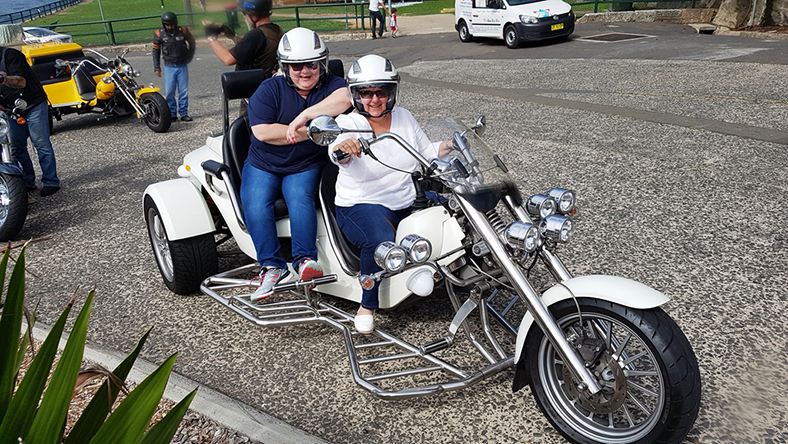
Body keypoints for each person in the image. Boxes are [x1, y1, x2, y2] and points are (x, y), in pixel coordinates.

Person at [328, 55, 453, 334]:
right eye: (366, 92)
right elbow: (336, 151)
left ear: (391, 92)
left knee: (456, 212)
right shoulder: (348, 122)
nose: (375, 99)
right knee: (379, 239)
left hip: (406, 199)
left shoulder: (404, 117)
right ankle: (368, 305)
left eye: (381, 91)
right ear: (356, 94)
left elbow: (425, 152)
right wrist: (345, 148)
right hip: (361, 204)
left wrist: (450, 144)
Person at [242, 28, 351, 303]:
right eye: (296, 66)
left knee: (299, 199)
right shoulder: (269, 89)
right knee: (256, 202)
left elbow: (346, 99)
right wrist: (316, 130)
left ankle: (304, 262)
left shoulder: (333, 84)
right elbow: (263, 133)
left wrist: (303, 117)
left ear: (321, 64)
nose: (305, 71)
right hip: (264, 162)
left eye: (312, 64)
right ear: (285, 67)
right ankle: (271, 267)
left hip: (304, 163)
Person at [0, 45, 60, 196]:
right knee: (16, 147)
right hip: (10, 108)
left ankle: (51, 181)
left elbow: (21, 82)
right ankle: (27, 182)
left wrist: (3, 78)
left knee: (41, 143)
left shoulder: (10, 55)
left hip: (32, 104)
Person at [205, 0, 284, 76]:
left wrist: (211, 37)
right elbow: (253, 47)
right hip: (268, 82)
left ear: (254, 14)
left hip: (252, 84)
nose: (244, 17)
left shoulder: (256, 35)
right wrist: (232, 35)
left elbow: (228, 59)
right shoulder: (276, 29)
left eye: (245, 13)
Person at [152, 11, 196, 122]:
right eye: (167, 25)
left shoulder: (183, 31)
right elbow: (155, 51)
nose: (170, 27)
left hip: (182, 65)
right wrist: (157, 67)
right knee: (170, 92)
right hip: (169, 66)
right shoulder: (159, 34)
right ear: (164, 24)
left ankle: (184, 113)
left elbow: (192, 43)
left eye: (172, 24)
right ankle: (172, 114)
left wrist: (189, 56)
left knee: (183, 91)